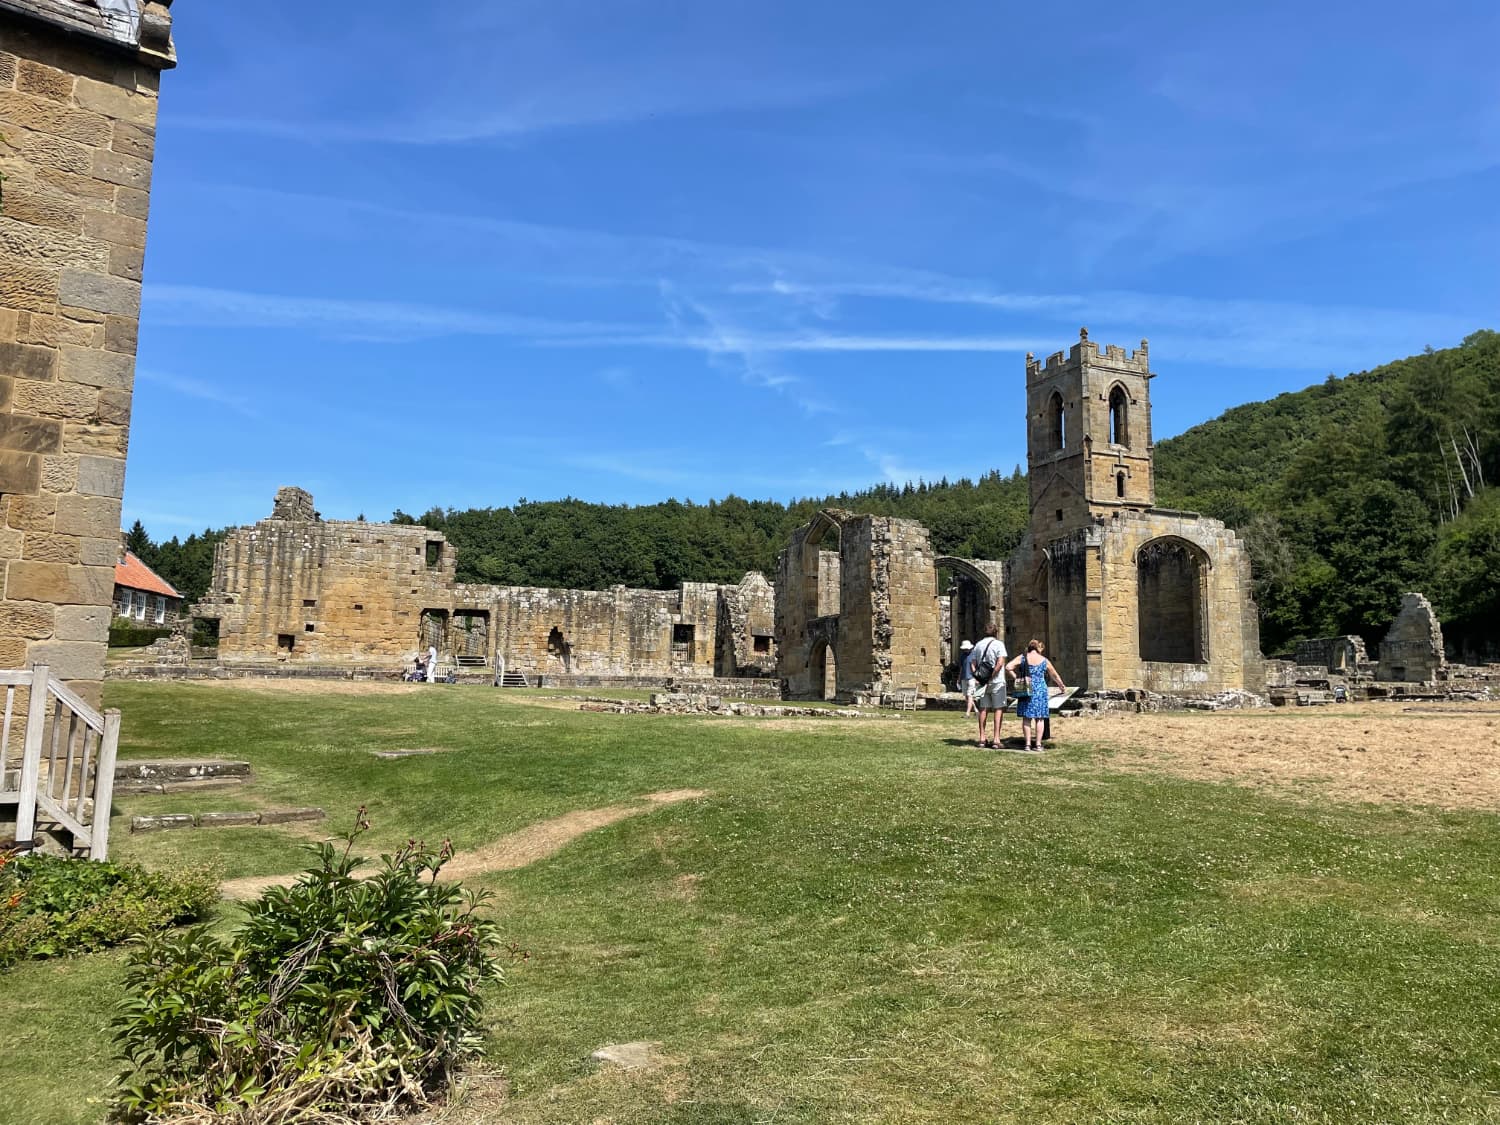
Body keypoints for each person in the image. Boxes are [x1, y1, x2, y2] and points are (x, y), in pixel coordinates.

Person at [1005, 639, 1066, 752]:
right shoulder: (1044, 660)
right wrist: (1061, 685)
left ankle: (1027, 744)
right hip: (1040, 690)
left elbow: (1008, 667)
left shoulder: (1022, 657)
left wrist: (1017, 678)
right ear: (1038, 648)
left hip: (1026, 688)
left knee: (1026, 718)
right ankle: (1038, 744)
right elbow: (1054, 675)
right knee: (1040, 718)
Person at [969, 628, 1007, 748]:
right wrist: (992, 675)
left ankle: (982, 738)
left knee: (983, 709)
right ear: (996, 633)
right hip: (997, 681)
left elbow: (972, 663)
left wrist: (978, 676)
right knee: (998, 709)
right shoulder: (998, 644)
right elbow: (1000, 662)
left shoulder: (978, 645)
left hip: (982, 682)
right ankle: (996, 739)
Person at [958, 640, 976, 716]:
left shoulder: (974, 655)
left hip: (971, 678)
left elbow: (975, 667)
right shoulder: (962, 656)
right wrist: (959, 678)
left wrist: (977, 678)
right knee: (966, 696)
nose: (966, 650)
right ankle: (976, 710)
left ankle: (967, 713)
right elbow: (962, 668)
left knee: (969, 695)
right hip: (964, 678)